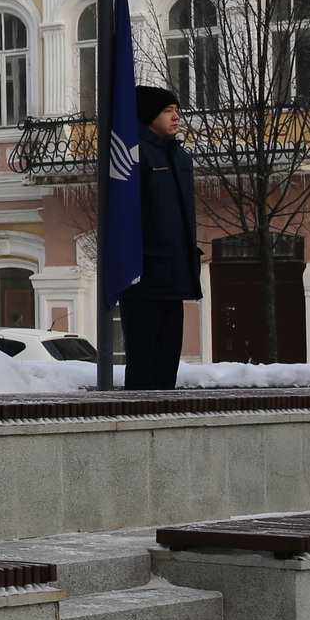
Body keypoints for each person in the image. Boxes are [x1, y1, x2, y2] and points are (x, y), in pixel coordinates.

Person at [122, 84, 201, 391]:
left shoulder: (180, 156)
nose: (176, 116)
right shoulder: (133, 154)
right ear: (148, 114)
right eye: (168, 110)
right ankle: (140, 415)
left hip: (175, 274)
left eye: (177, 110)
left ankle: (165, 412)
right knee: (144, 362)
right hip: (145, 276)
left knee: (168, 360)